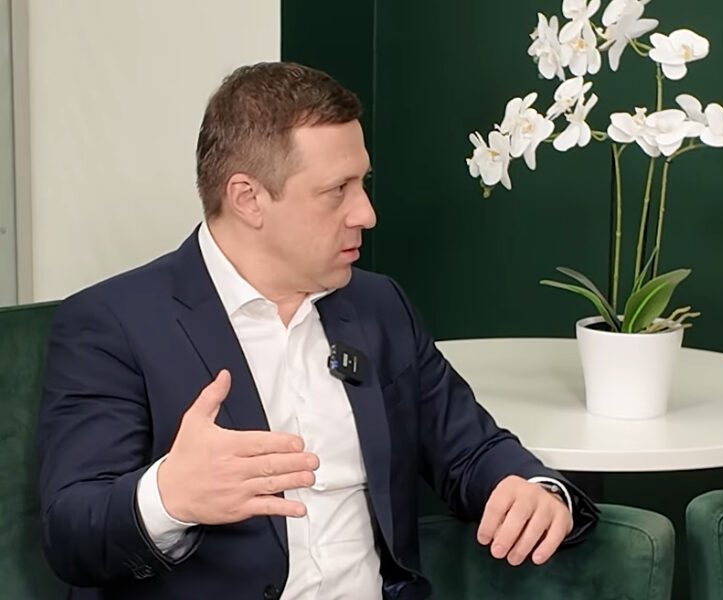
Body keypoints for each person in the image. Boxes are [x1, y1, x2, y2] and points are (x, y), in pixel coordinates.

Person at [37, 61, 598, 600]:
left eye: (363, 183)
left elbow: (472, 450)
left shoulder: (379, 306)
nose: (365, 213)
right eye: (338, 190)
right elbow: (71, 534)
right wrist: (168, 497)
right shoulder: (113, 323)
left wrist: (534, 491)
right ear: (248, 198)